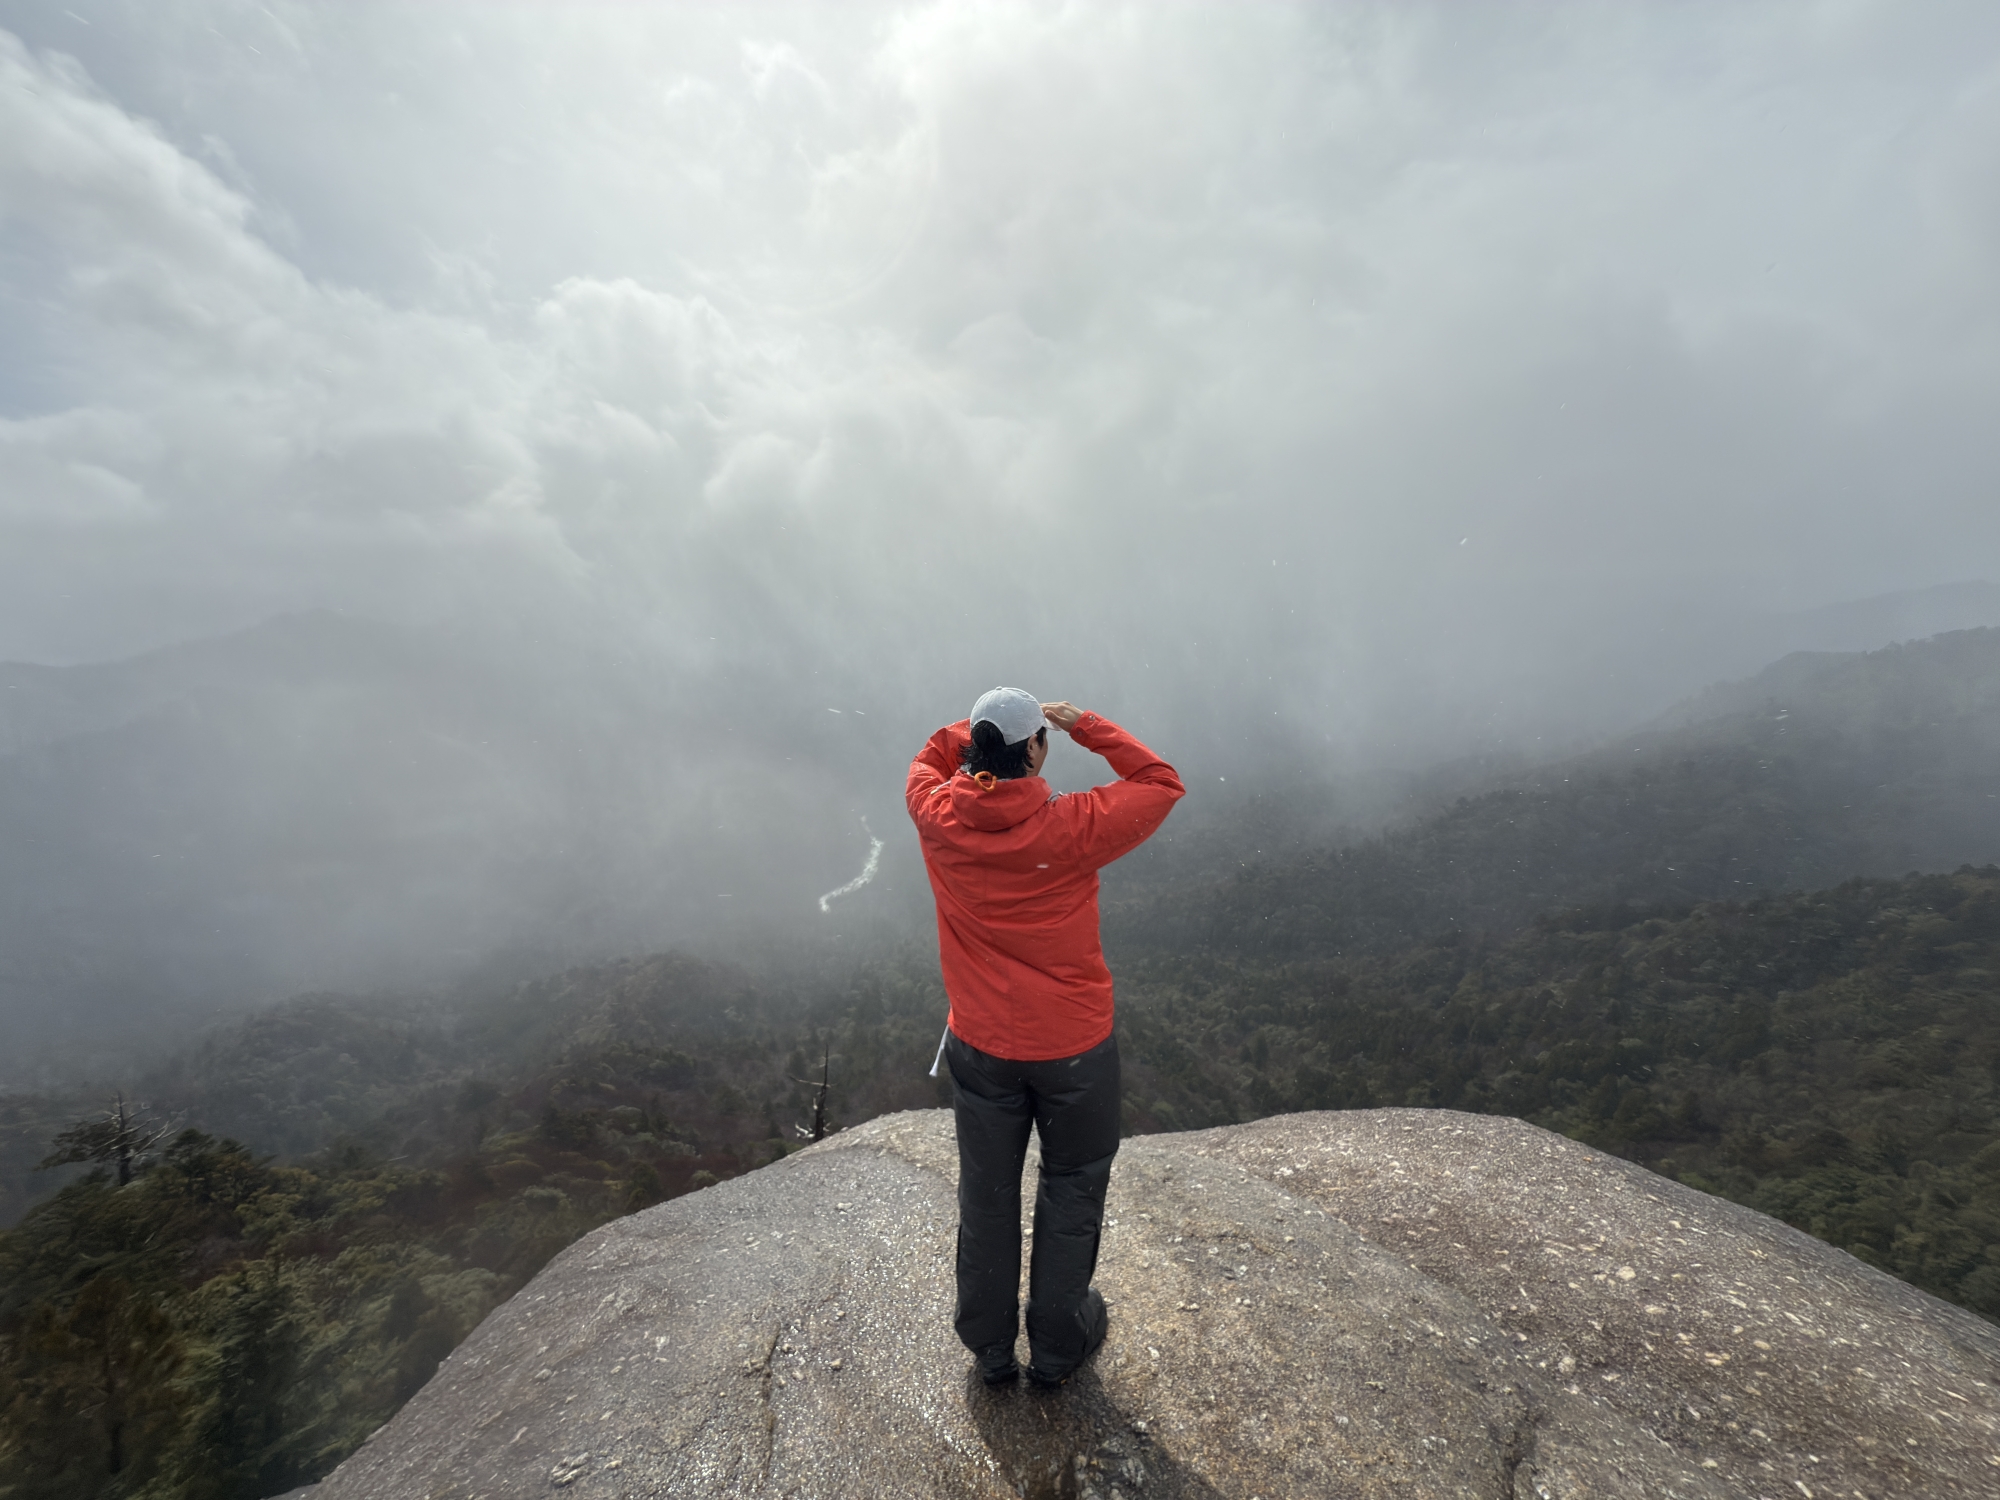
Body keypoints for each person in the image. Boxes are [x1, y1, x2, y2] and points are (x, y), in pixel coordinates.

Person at [906, 686, 1185, 1388]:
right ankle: (1060, 1344)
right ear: (1037, 749)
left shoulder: (937, 813)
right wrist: (1083, 725)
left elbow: (929, 756)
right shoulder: (1073, 825)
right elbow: (1160, 781)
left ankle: (990, 1348)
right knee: (1073, 1184)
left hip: (981, 1045)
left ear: (974, 748)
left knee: (988, 1192)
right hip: (1074, 1050)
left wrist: (979, 730)